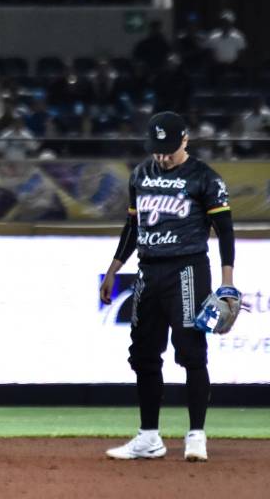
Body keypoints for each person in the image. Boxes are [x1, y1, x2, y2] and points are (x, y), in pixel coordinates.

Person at [100, 111, 240, 462]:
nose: (162, 156)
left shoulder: (204, 178)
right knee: (144, 355)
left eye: (168, 148)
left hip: (187, 268)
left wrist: (227, 282)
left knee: (191, 351)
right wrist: (114, 268)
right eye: (156, 148)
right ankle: (149, 436)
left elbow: (224, 230)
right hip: (148, 270)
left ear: (185, 141)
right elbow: (132, 227)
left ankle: (196, 435)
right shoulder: (140, 174)